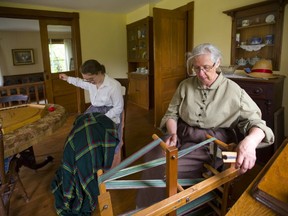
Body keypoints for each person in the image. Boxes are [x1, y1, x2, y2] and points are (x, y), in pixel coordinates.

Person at [136, 43, 274, 208]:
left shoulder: (233, 91)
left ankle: (160, 208)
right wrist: (172, 133)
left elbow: (256, 122)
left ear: (217, 63)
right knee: (152, 161)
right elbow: (171, 114)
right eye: (196, 68)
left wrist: (250, 142)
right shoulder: (185, 85)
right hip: (180, 134)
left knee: (166, 169)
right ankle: (146, 208)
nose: (200, 74)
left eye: (206, 68)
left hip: (209, 143)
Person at [59, 59, 124, 154]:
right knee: (79, 129)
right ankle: (80, 154)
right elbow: (79, 82)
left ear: (99, 72)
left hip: (109, 112)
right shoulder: (90, 83)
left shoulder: (113, 85)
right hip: (94, 110)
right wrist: (67, 78)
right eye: (86, 79)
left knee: (94, 133)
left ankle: (95, 155)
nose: (89, 82)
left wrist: (102, 118)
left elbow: (118, 107)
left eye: (91, 79)